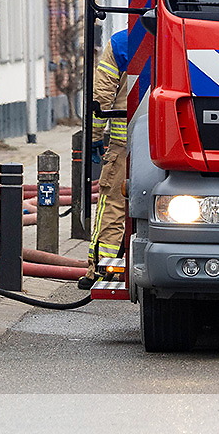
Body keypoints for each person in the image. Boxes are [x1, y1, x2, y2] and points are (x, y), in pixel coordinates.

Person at [80, 27, 131, 288]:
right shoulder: (185, 32)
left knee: (113, 204)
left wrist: (94, 137)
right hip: (178, 145)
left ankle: (101, 270)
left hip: (126, 146)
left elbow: (101, 96)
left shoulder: (122, 42)